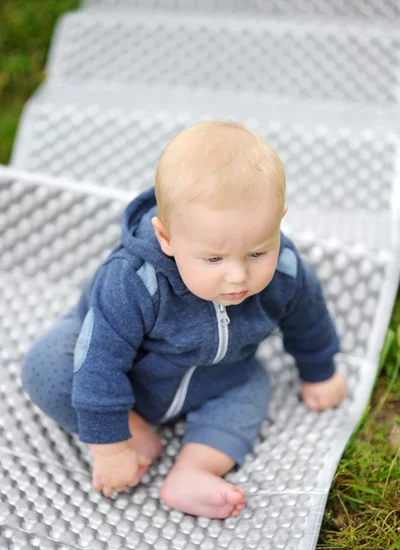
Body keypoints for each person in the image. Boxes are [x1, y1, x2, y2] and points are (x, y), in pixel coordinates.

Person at [21, 120, 347, 519]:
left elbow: (308, 320)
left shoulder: (288, 271)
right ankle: (131, 425)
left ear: (279, 220)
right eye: (213, 258)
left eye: (258, 253)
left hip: (221, 375)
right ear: (167, 239)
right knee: (47, 366)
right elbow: (101, 361)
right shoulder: (133, 280)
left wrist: (320, 370)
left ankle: (195, 469)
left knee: (255, 386)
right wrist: (110, 444)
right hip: (130, 374)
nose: (238, 276)